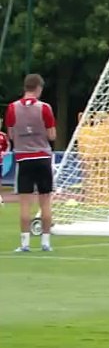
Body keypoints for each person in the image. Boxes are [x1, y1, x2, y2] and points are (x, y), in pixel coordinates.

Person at [6, 74, 57, 251]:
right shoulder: (45, 108)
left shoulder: (12, 108)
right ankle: (45, 242)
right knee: (45, 202)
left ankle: (25, 243)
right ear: (39, 88)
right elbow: (52, 135)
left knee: (25, 203)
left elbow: (11, 134)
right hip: (42, 157)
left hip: (24, 158)